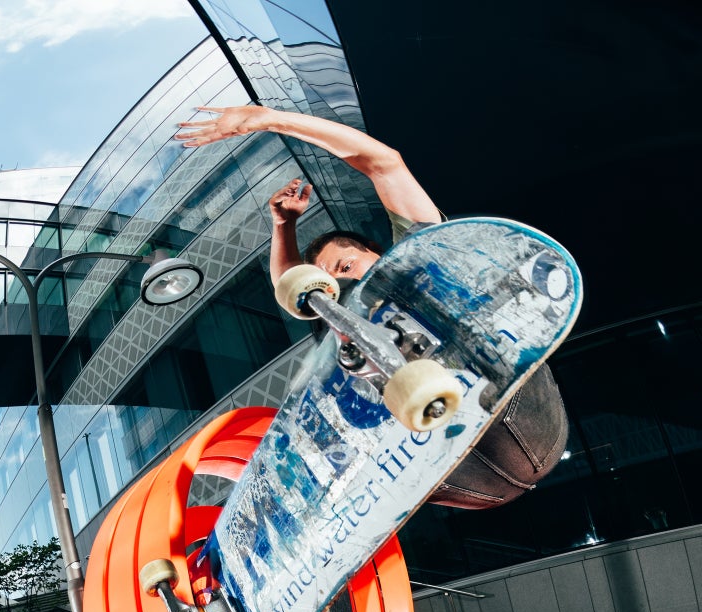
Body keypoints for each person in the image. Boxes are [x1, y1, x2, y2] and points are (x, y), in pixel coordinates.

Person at [176, 105, 569, 511]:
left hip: (519, 411)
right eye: (331, 284)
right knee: (340, 338)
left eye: (346, 267)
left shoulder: (416, 256)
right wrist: (282, 226)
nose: (343, 284)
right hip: (458, 479)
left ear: (376, 251)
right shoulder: (339, 321)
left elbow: (384, 164)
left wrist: (267, 119)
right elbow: (293, 287)